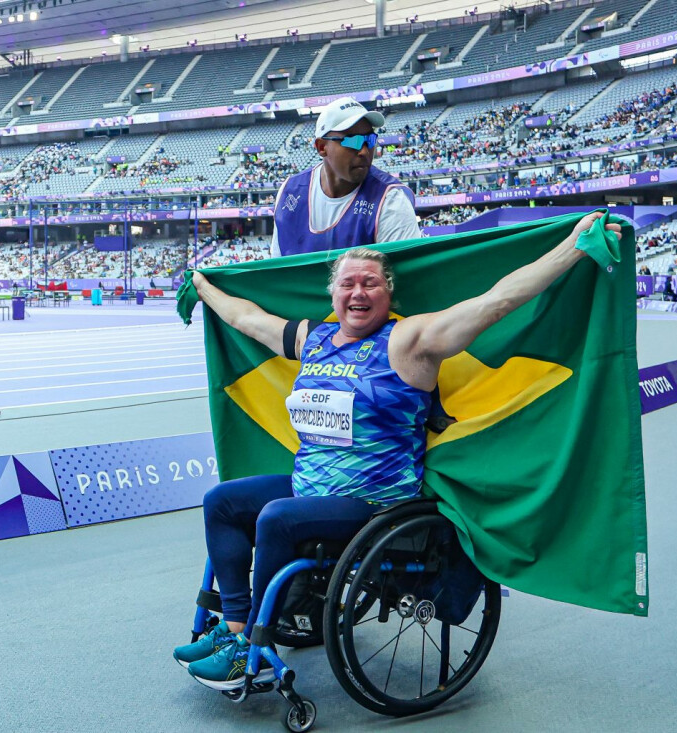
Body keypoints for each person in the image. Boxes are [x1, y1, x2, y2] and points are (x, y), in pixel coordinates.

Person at [174, 211, 622, 690]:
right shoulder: (313, 339)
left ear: (389, 293)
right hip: (310, 487)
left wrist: (573, 247)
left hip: (373, 502)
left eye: (370, 283)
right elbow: (247, 318)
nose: (358, 293)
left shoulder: (409, 341)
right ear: (333, 293)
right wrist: (202, 287)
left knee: (276, 517)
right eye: (348, 284)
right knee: (221, 501)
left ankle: (248, 649)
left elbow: (496, 302)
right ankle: (234, 626)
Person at [270, 97, 422, 258]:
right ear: (322, 147)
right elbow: (276, 271)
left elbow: (403, 279)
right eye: (353, 141)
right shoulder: (290, 191)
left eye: (369, 140)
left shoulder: (391, 200)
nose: (364, 151)